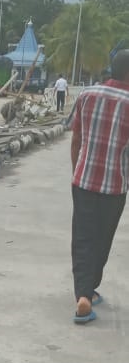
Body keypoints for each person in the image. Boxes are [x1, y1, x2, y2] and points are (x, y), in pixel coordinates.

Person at [69, 49, 129, 324]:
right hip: (115, 185)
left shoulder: (87, 95)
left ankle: (83, 293)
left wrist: (76, 171)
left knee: (82, 237)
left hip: (83, 179)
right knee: (102, 238)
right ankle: (87, 292)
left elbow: (76, 139)